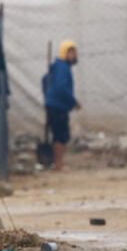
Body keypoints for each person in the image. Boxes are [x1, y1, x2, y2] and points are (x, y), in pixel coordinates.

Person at [43, 40, 81, 172]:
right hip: (57, 106)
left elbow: (45, 79)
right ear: (65, 53)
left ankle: (58, 164)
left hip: (55, 104)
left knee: (60, 134)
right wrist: (73, 101)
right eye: (71, 52)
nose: (74, 55)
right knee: (60, 135)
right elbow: (61, 87)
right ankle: (59, 165)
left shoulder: (58, 65)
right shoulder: (62, 67)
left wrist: (48, 95)